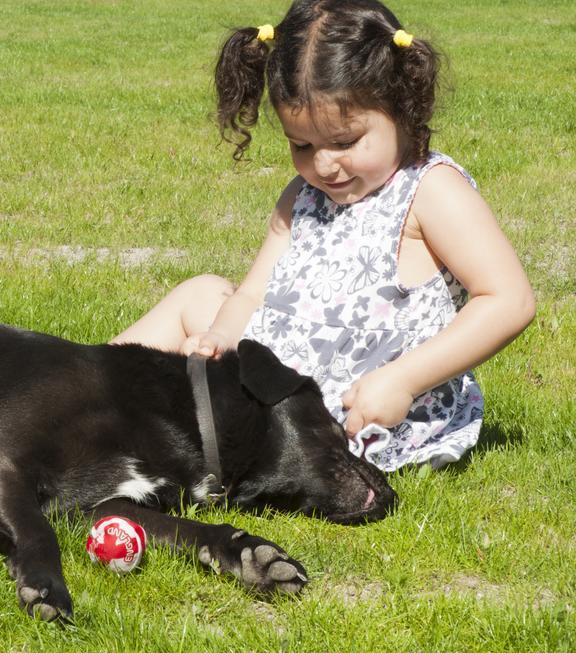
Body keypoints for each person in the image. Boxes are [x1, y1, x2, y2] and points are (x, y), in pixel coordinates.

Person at [112, 0, 535, 470]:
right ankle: (82, 384)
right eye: (302, 145)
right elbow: (254, 293)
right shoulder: (304, 194)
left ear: (402, 106)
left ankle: (92, 404)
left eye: (345, 141)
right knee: (202, 293)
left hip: (359, 409)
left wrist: (404, 380)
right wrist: (221, 338)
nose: (323, 164)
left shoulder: (429, 191)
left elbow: (507, 300)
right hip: (277, 373)